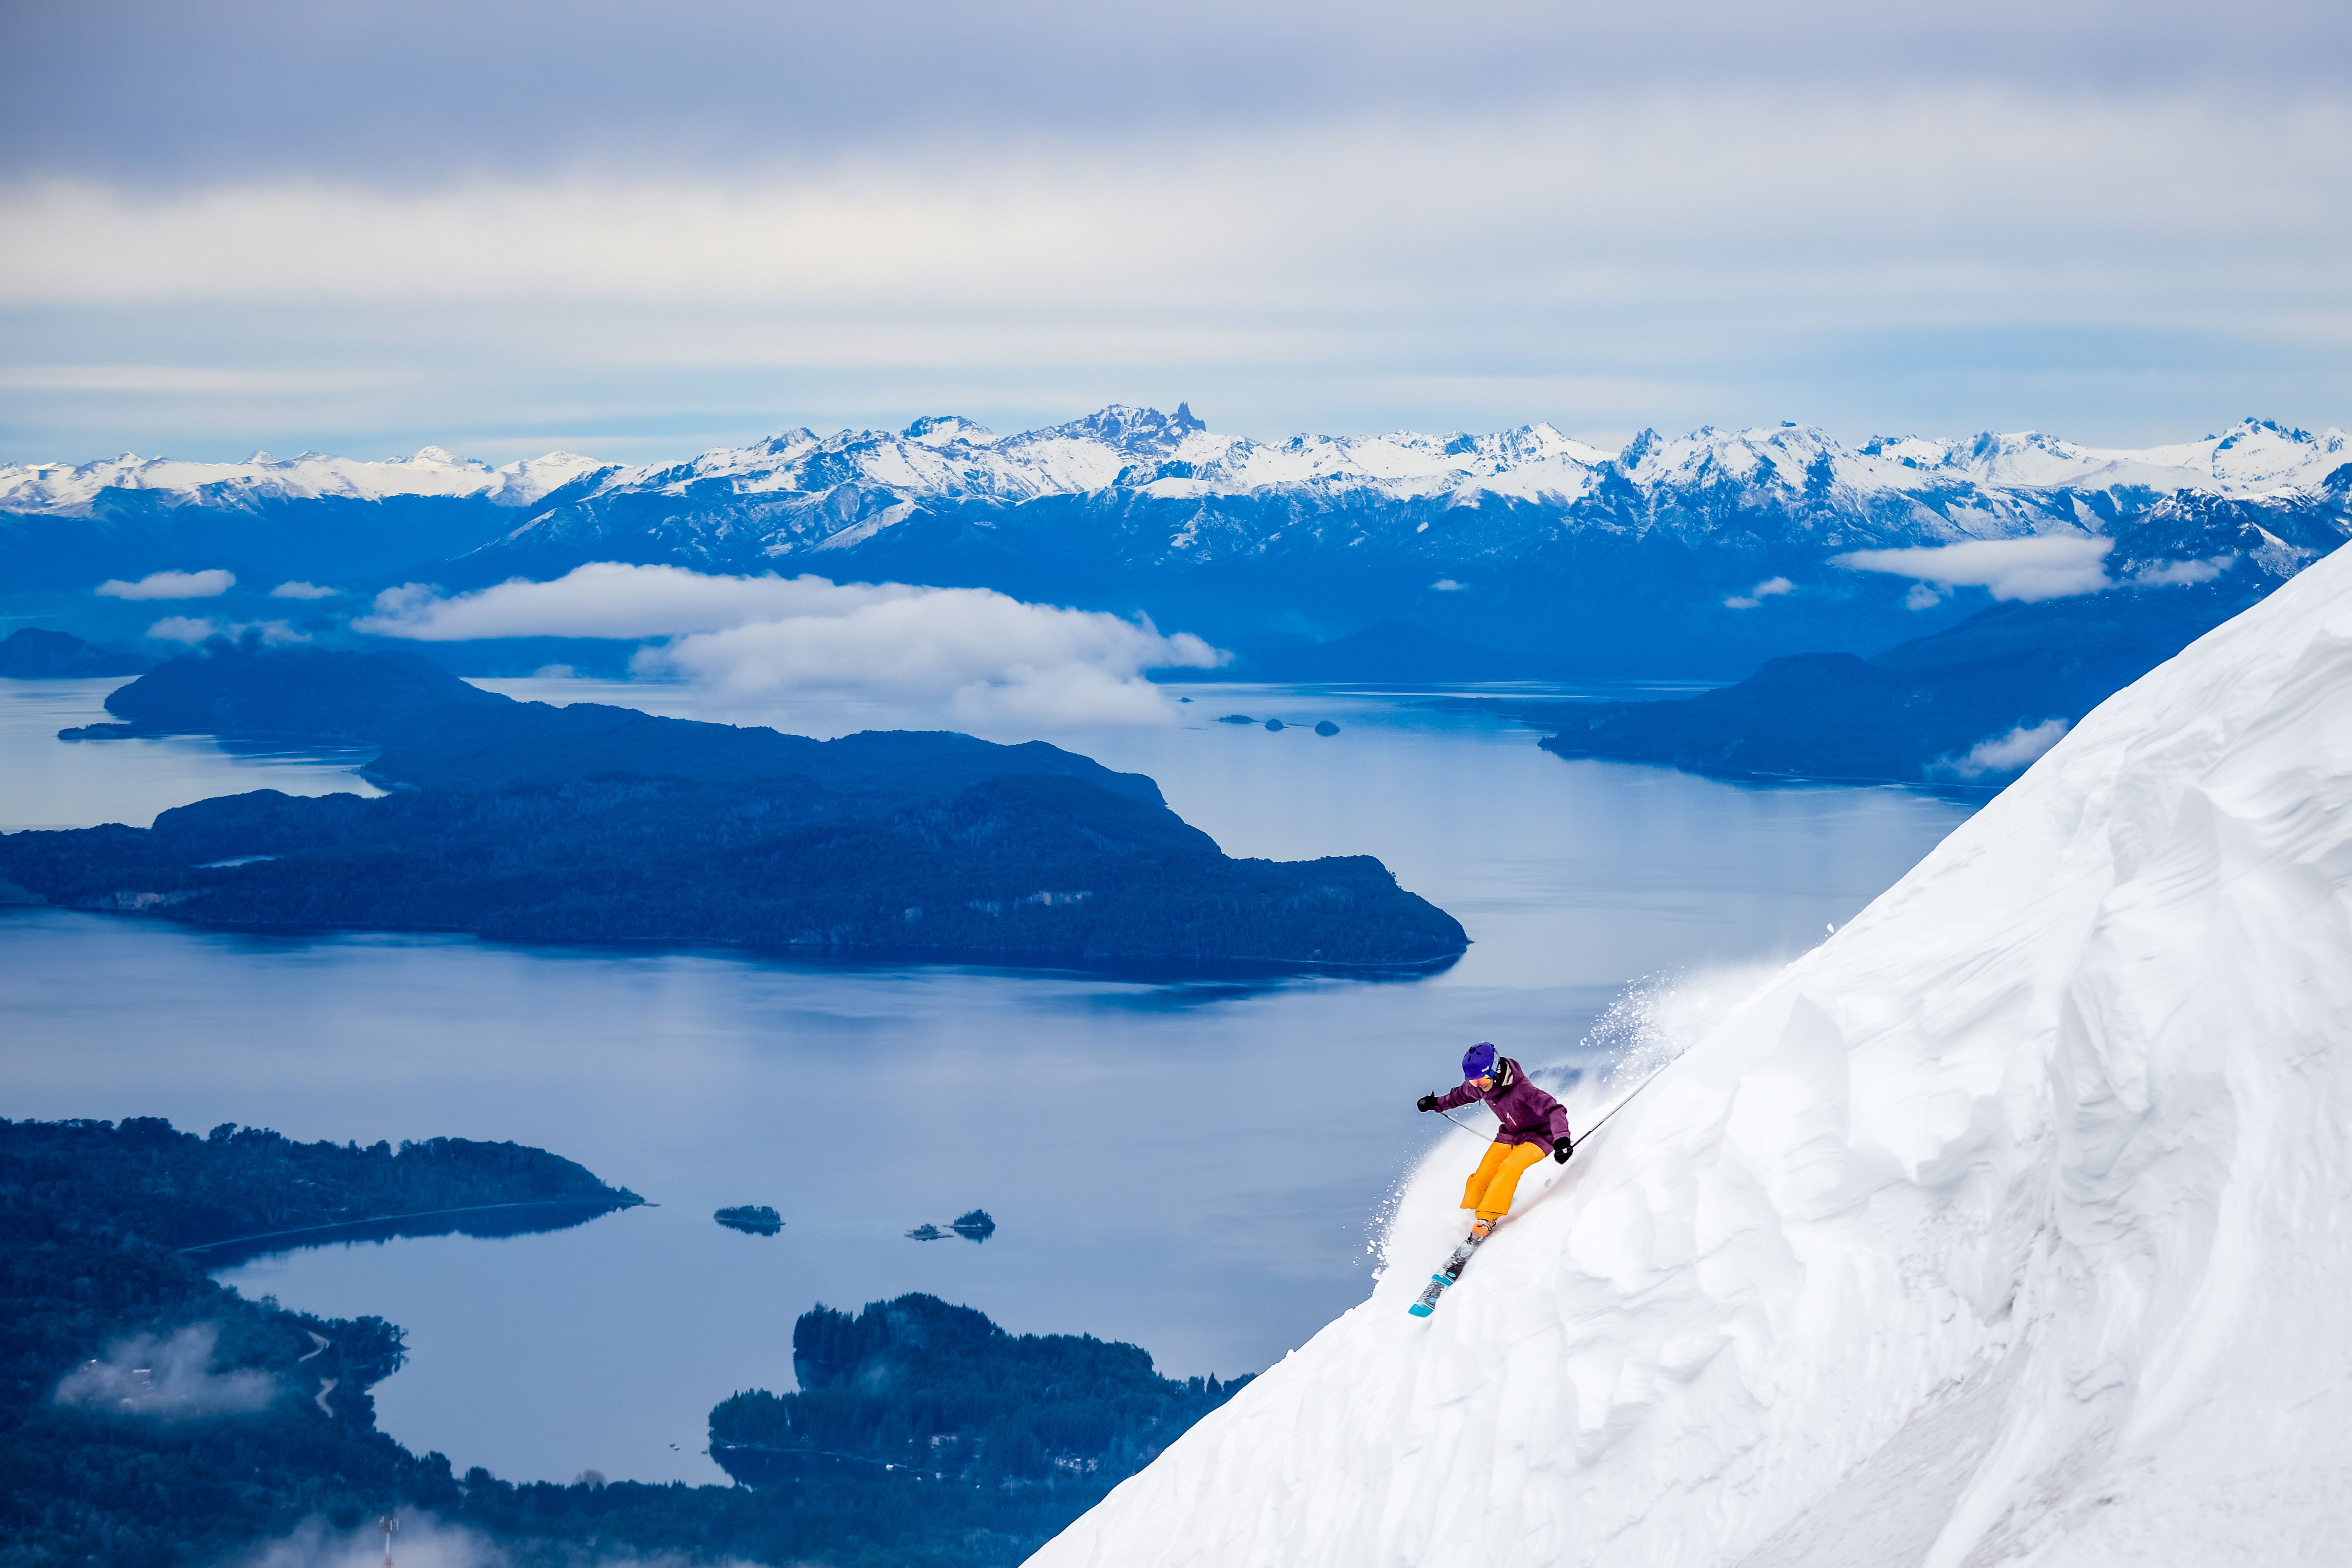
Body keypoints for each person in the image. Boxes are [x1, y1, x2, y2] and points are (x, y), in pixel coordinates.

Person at [1417, 1042, 1572, 1234]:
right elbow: (1458, 1096)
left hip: (1541, 1137)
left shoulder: (1522, 1089)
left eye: (1483, 1080)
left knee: (1510, 1167)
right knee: (1481, 1177)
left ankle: (1486, 1219)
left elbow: (1555, 1110)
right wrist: (1435, 1104)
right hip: (1510, 1136)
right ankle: (1466, 1217)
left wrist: (1562, 1140)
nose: (1480, 1086)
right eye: (1474, 1082)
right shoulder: (1479, 1087)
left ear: (1496, 1070)